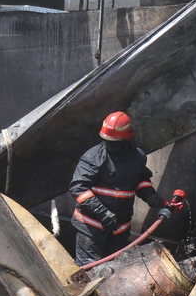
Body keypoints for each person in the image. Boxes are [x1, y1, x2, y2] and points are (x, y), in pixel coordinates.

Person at [69, 111, 169, 267]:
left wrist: (151, 196)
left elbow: (141, 180)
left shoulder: (137, 157)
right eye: (108, 141)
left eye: (115, 141)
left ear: (127, 139)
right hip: (91, 227)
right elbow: (78, 187)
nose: (111, 145)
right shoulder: (93, 156)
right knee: (91, 271)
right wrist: (102, 213)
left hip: (119, 228)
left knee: (116, 270)